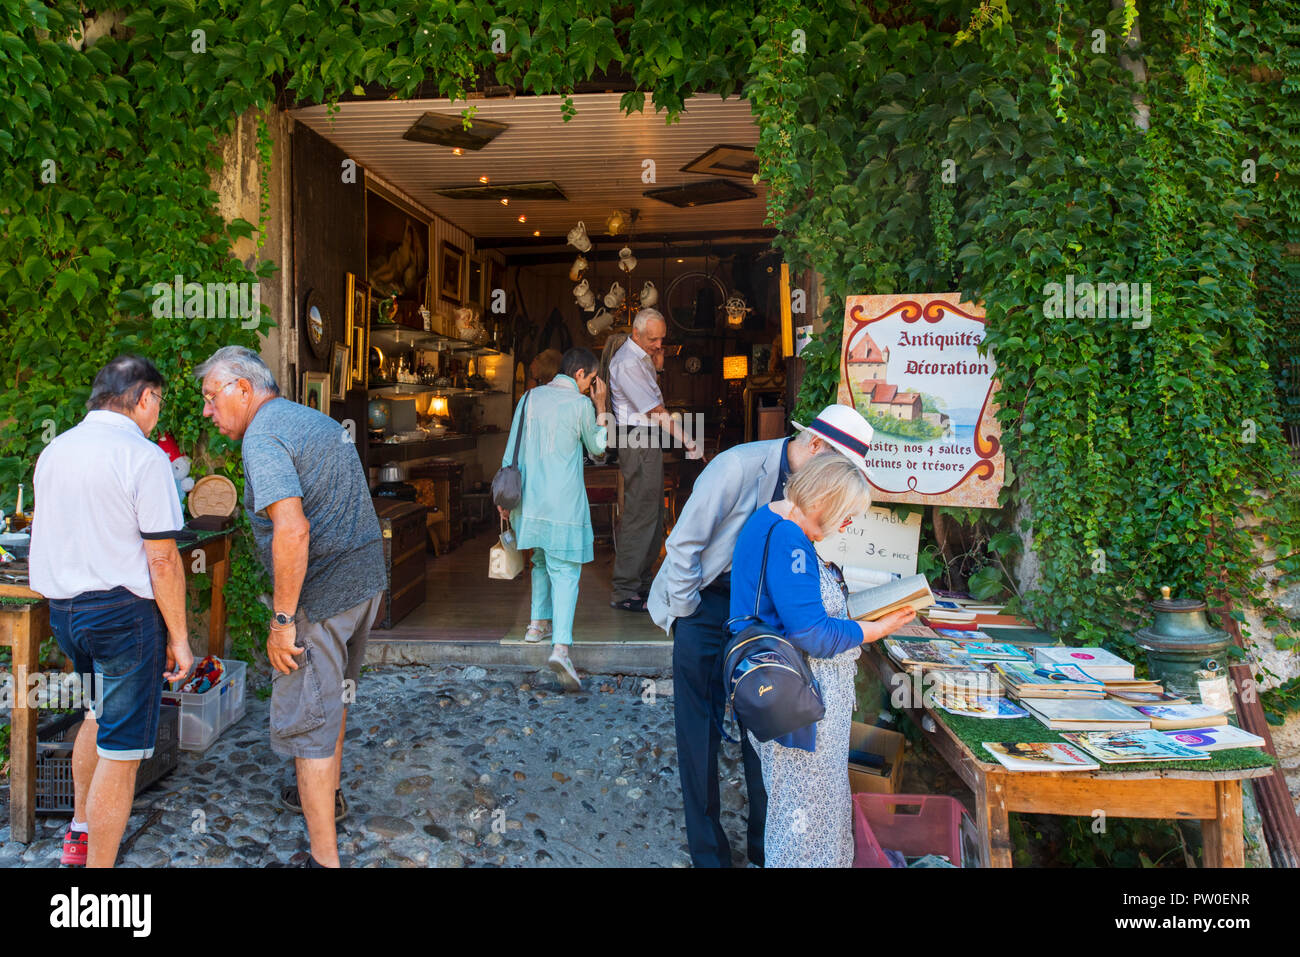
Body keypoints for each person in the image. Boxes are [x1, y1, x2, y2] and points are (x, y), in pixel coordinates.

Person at [647, 403, 875, 868]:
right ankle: (709, 854)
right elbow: (683, 544)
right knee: (699, 732)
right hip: (707, 601)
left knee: (768, 721)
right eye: (834, 467)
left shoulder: (813, 490)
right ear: (815, 445)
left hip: (766, 617)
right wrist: (689, 615)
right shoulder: (737, 465)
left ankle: (763, 847)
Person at [196, 345, 386, 868]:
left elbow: (293, 529)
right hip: (364, 582)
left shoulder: (263, 436)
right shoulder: (311, 418)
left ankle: (326, 860)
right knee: (332, 700)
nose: (208, 411)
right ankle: (331, 796)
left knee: (308, 723)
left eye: (212, 397)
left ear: (243, 388)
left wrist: (282, 622)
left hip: (322, 597)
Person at [30, 355, 194, 868]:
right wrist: (181, 640)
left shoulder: (55, 451)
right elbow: (163, 559)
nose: (157, 415)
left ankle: (79, 833)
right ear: (144, 397)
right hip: (123, 617)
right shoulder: (143, 458)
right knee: (122, 754)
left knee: (96, 718)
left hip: (66, 614)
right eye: (158, 402)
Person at [729, 453, 917, 867]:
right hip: (802, 713)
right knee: (804, 831)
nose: (847, 525)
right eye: (846, 515)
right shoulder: (789, 539)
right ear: (823, 501)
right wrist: (878, 628)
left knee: (806, 822)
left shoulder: (770, 520)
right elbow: (811, 633)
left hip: (792, 705)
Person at [497, 348, 609, 690]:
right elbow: (599, 448)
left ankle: (535, 626)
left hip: (529, 501)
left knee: (542, 561)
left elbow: (511, 449)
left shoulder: (529, 398)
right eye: (592, 380)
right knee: (565, 571)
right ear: (579, 375)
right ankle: (561, 647)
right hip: (563, 505)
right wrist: (601, 408)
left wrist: (504, 498)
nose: (593, 386)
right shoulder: (581, 405)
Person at [606, 307, 696, 611]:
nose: (659, 344)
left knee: (653, 514)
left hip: (643, 438)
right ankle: (625, 589)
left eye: (661, 339)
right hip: (637, 438)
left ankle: (640, 586)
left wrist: (656, 358)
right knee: (641, 514)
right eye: (653, 339)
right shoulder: (628, 363)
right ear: (635, 334)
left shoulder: (640, 358)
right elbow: (655, 411)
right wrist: (687, 440)